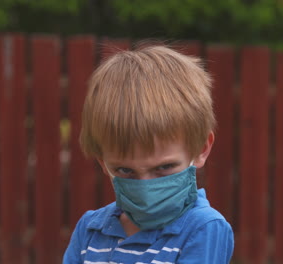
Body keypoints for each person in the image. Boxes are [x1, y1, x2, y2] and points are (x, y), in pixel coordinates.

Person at [63, 45, 234, 264]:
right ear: (103, 162)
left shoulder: (203, 227)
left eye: (164, 168)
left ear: (201, 149)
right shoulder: (90, 229)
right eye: (125, 170)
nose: (145, 186)